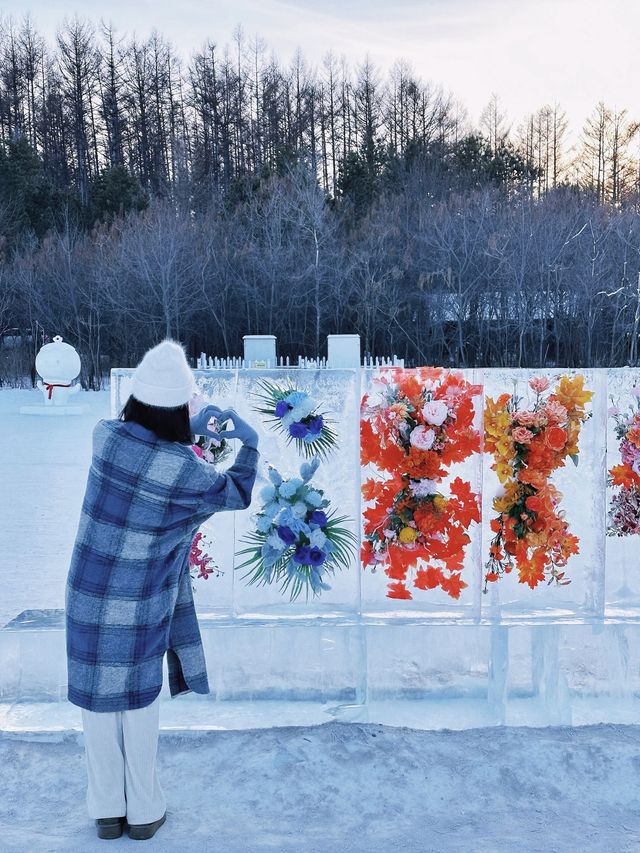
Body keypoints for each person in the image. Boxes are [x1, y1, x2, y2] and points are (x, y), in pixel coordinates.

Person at [64, 339, 259, 841]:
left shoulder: (103, 437)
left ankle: (107, 811)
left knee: (98, 704)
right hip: (140, 602)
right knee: (137, 701)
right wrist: (249, 441)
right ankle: (145, 811)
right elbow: (232, 491)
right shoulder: (186, 472)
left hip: (87, 595)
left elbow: (149, 450)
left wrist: (184, 431)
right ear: (178, 409)